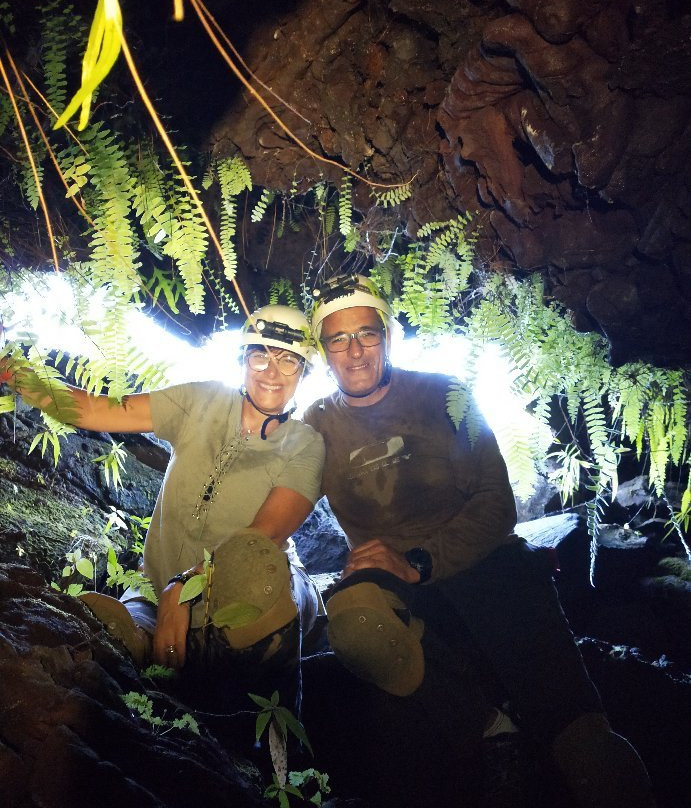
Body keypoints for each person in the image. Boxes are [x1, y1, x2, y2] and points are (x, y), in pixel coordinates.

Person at [303, 273, 655, 808]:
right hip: (392, 581)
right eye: (338, 338)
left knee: (584, 743)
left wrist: (420, 561)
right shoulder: (317, 425)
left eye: (367, 334)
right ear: (323, 351)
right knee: (354, 616)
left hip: (484, 563)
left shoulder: (444, 393)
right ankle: (491, 727)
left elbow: (496, 502)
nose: (354, 351)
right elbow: (280, 494)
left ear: (389, 336)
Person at [0, 304, 325, 679]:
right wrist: (11, 368)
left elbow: (263, 535)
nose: (272, 372)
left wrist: (184, 585)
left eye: (289, 361)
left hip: (254, 593)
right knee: (113, 634)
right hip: (157, 594)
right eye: (260, 356)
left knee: (255, 573)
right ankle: (139, 641)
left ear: (304, 371)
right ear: (243, 361)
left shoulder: (305, 444)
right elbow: (90, 409)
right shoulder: (200, 402)